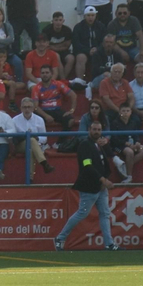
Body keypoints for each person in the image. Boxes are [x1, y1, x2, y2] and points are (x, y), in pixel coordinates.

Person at [53, 119, 118, 251]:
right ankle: (60, 237)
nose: (96, 132)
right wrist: (103, 180)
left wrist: (104, 179)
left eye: (99, 130)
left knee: (105, 213)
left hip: (100, 187)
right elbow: (87, 166)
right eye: (94, 129)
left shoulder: (98, 145)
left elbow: (106, 163)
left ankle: (109, 244)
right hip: (89, 186)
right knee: (82, 213)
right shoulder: (85, 145)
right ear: (89, 130)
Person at [12, 96, 54, 177]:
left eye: (29, 107)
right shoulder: (14, 120)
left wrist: (37, 138)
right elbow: (13, 138)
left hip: (35, 146)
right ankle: (44, 163)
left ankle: (30, 177)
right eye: (24, 107)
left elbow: (44, 139)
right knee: (31, 140)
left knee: (31, 148)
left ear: (33, 108)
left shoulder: (39, 120)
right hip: (20, 145)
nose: (27, 109)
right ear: (21, 108)